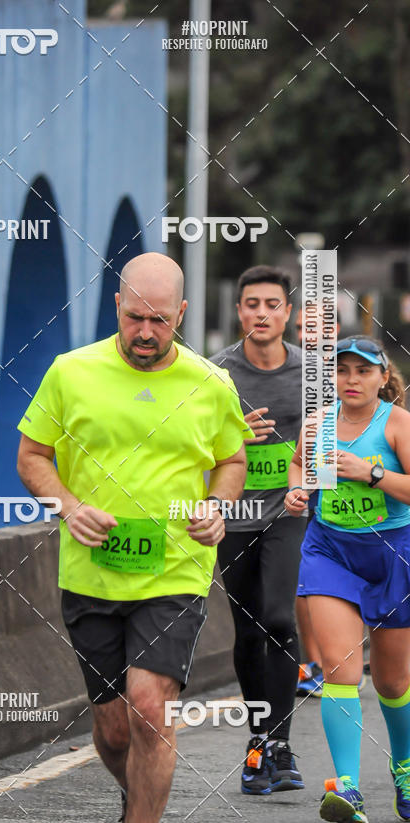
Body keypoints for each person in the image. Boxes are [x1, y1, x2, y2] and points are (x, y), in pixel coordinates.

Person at [16, 252, 250, 823]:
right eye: (134, 318)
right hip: (91, 572)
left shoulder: (210, 382)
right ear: (117, 306)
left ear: (183, 313)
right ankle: (136, 797)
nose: (145, 333)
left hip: (175, 569)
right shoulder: (70, 372)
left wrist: (218, 507)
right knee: (115, 728)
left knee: (150, 710)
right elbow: (32, 455)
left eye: (161, 320)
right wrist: (68, 506)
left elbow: (232, 458)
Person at [286, 337, 410, 823]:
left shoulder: (397, 424)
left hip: (392, 554)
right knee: (341, 670)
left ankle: (403, 768)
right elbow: (300, 463)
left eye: (363, 371)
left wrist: (370, 472)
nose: (351, 380)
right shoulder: (318, 423)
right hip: (330, 550)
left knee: (393, 681)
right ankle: (346, 788)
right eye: (342, 371)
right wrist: (297, 490)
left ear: (383, 377)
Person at [211, 266, 306, 795]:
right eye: (252, 304)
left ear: (287, 313)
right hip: (235, 516)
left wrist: (308, 487)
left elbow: (329, 440)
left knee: (276, 617)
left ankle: (281, 743)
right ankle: (258, 741)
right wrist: (234, 435)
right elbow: (192, 443)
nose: (262, 313)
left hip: (288, 512)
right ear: (239, 311)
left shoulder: (309, 374)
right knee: (248, 632)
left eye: (273, 304)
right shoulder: (215, 373)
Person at [294, 306, 341, 699]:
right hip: (310, 487)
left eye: (316, 329)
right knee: (306, 580)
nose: (308, 337)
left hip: (362, 492)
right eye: (301, 329)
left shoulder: (359, 369)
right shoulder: (292, 371)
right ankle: (313, 665)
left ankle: (344, 653)